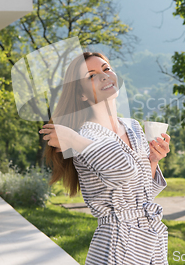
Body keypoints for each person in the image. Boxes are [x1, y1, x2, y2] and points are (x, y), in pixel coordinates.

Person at [40, 52, 170, 265]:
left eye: (106, 68)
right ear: (81, 94)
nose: (103, 76)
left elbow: (143, 190)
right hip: (117, 243)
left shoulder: (134, 127)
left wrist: (153, 160)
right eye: (91, 75)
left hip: (151, 241)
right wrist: (74, 139)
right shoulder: (84, 136)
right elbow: (123, 172)